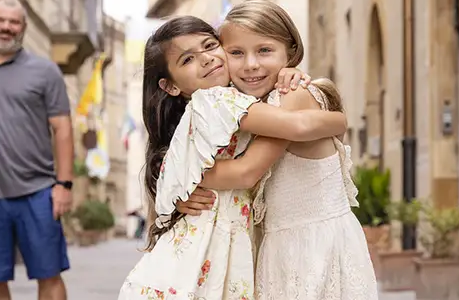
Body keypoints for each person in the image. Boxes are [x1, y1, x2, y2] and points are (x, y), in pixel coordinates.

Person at [118, 16, 348, 299]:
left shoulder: (227, 103)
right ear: (170, 87)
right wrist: (338, 119)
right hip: (198, 265)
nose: (206, 59)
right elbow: (290, 134)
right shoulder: (216, 100)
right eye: (188, 59)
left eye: (210, 45)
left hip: (202, 261)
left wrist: (287, 75)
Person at [177, 0, 378, 299]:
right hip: (284, 248)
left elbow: (246, 173)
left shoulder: (290, 95)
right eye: (236, 53)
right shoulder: (250, 108)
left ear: (290, 52)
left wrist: (179, 178)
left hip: (313, 248)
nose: (251, 64)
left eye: (264, 50)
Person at [0, 0, 74, 300]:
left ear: (23, 27)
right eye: (0, 20)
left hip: (39, 192)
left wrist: (63, 184)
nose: (6, 27)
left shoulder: (45, 71)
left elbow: (62, 129)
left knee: (49, 274)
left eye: (13, 22)